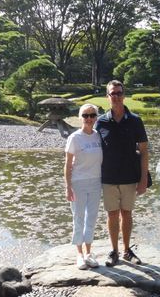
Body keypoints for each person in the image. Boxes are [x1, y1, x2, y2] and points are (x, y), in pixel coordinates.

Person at [95, 80, 149, 267]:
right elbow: (93, 150)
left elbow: (144, 151)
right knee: (111, 214)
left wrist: (143, 179)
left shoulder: (135, 121)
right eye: (112, 93)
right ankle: (114, 250)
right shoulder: (100, 121)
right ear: (108, 96)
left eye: (119, 93)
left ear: (124, 95)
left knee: (127, 213)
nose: (116, 96)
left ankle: (126, 250)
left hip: (129, 176)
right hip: (108, 176)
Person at [64, 103, 103, 270]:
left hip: (96, 181)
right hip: (78, 182)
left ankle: (88, 253)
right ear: (80, 118)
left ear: (96, 117)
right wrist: (68, 186)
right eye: (85, 115)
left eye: (92, 115)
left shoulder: (98, 136)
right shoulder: (75, 137)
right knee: (78, 218)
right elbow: (67, 165)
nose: (89, 119)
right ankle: (79, 254)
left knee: (91, 219)